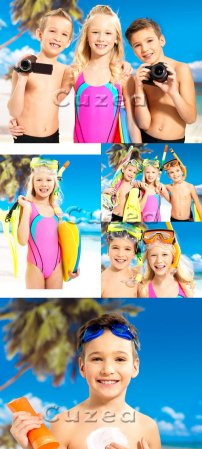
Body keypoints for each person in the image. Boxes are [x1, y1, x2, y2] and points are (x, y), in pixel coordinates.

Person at [10, 313, 172, 449]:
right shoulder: (64, 424)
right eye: (97, 359)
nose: (107, 369)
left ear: (135, 367)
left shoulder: (146, 426)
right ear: (82, 367)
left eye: (120, 359)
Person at [72, 5, 141, 143]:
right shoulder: (75, 72)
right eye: (95, 32)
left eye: (108, 33)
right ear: (86, 36)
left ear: (116, 38)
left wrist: (138, 149)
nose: (101, 38)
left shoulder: (122, 75)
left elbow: (132, 122)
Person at [124, 18, 196, 143]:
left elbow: (191, 118)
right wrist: (139, 88)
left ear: (161, 40)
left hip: (174, 141)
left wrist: (173, 93)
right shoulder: (140, 77)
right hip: (146, 137)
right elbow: (143, 124)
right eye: (137, 45)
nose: (145, 49)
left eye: (150, 40)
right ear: (133, 51)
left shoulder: (180, 69)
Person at [7, 9, 74, 143]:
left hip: (53, 137)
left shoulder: (66, 72)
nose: (57, 37)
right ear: (40, 34)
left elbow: (56, 102)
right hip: (24, 137)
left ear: (68, 42)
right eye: (52, 31)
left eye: (64, 34)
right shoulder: (25, 65)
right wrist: (22, 79)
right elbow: (14, 111)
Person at [17, 157, 79, 289]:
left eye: (48, 180)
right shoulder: (27, 206)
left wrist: (73, 263)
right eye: (39, 180)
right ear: (32, 183)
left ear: (54, 184)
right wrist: (27, 209)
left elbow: (65, 241)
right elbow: (22, 241)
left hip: (56, 266)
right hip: (35, 266)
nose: (44, 184)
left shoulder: (57, 210)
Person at [138, 228, 194, 298]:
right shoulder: (143, 289)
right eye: (153, 255)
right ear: (148, 258)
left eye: (164, 254)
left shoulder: (185, 287)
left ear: (173, 257)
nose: (159, 260)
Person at [101, 223, 144, 298]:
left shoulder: (138, 277)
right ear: (108, 250)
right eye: (115, 248)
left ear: (135, 253)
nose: (120, 254)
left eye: (127, 249)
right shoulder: (102, 282)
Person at [102, 148, 142, 223]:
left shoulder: (134, 187)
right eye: (130, 170)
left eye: (134, 172)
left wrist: (139, 191)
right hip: (112, 215)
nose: (131, 173)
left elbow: (138, 204)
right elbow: (103, 198)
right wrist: (105, 191)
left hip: (124, 218)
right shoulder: (116, 184)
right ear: (123, 170)